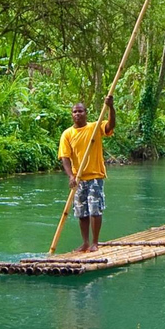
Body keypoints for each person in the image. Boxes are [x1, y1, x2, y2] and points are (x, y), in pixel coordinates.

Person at [58, 96, 116, 252]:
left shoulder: (94, 127)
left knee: (95, 209)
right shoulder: (67, 134)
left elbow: (110, 125)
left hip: (95, 176)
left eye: (80, 111)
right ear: (72, 114)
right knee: (81, 212)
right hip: (79, 178)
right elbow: (65, 157)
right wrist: (71, 176)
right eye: (75, 112)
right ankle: (85, 242)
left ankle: (95, 242)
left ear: (86, 113)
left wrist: (110, 107)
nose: (77, 114)